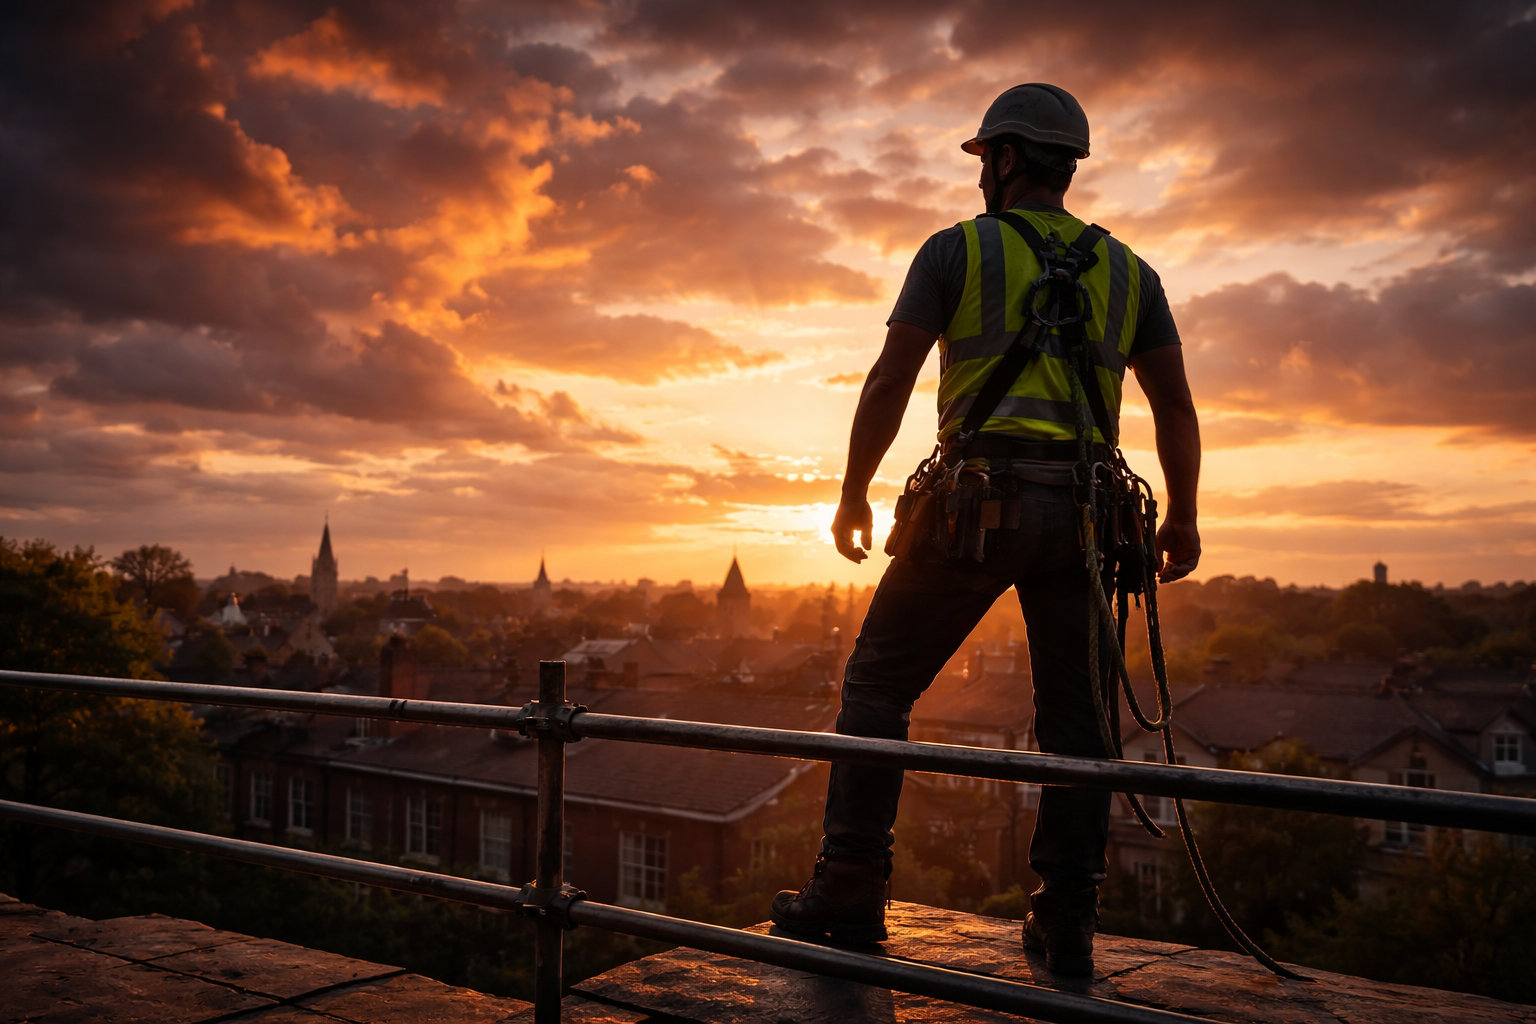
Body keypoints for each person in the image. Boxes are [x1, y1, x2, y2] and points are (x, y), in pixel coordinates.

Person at [770, 83, 1201, 976]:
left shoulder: (956, 250)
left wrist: (850, 492)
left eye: (984, 162)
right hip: (1084, 517)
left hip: (973, 506)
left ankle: (850, 890)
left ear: (1004, 159)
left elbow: (891, 379)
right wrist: (1186, 515)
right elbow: (1174, 405)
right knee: (1077, 726)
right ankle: (1068, 918)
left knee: (879, 683)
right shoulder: (1132, 273)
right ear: (1067, 166)